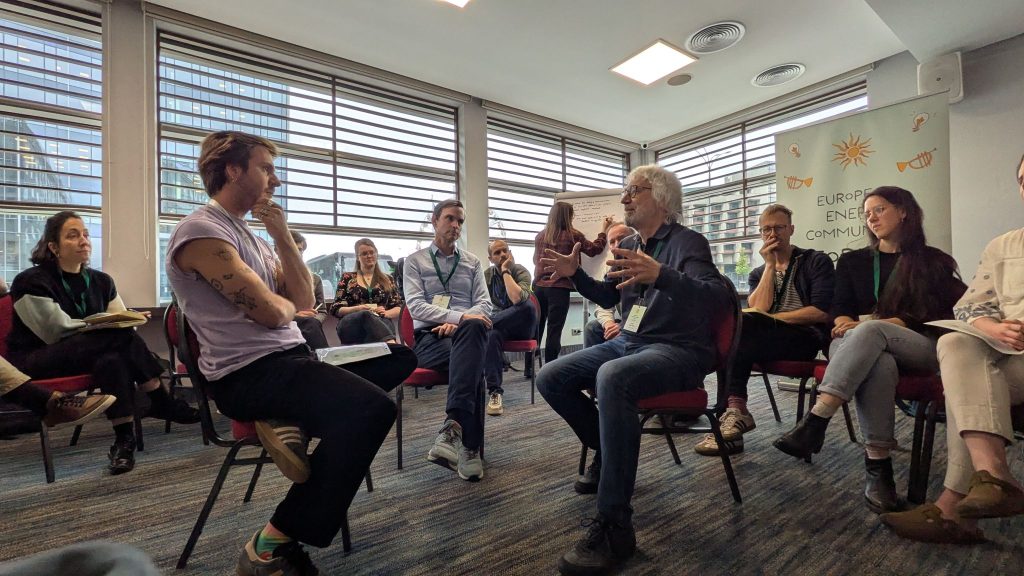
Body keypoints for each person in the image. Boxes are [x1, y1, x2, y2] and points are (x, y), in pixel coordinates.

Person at [166, 130, 416, 575]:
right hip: (249, 375)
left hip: (295, 360)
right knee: (371, 411)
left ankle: (292, 419)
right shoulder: (201, 230)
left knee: (400, 357)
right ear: (232, 170)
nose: (275, 181)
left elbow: (300, 299)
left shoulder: (256, 238)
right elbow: (269, 311)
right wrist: (281, 307)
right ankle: (270, 544)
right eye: (266, 168)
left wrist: (280, 233)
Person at [537, 165, 729, 575]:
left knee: (612, 377)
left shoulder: (689, 242)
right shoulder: (632, 243)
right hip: (632, 342)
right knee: (550, 376)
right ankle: (609, 451)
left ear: (660, 199)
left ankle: (615, 526)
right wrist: (576, 277)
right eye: (625, 191)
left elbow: (716, 298)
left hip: (677, 350)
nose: (624, 198)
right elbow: (609, 292)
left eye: (633, 191)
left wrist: (663, 276)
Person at [774, 186, 967, 514]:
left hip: (917, 344)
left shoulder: (933, 261)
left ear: (903, 211)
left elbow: (945, 313)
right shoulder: (852, 261)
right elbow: (838, 307)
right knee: (878, 363)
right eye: (867, 213)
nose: (871, 217)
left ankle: (817, 419)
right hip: (858, 345)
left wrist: (884, 322)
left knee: (872, 330)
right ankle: (879, 472)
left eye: (879, 209)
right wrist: (845, 319)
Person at [881, 155, 1024, 543]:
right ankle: (992, 476)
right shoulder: (1004, 246)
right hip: (1008, 359)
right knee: (957, 342)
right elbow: (970, 306)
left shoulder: (930, 261)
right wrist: (993, 326)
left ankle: (952, 509)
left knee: (967, 386)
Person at [7, 211, 198, 475]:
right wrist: (105, 325)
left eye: (85, 234)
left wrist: (125, 320)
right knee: (116, 337)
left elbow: (122, 323)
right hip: (38, 358)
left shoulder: (101, 280)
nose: (84, 240)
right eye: (73, 236)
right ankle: (159, 398)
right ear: (53, 246)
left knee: (113, 358)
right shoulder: (31, 281)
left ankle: (124, 441)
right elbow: (54, 331)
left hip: (89, 354)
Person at [694, 204, 835, 456]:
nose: (773, 234)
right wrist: (770, 266)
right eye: (766, 229)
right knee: (735, 330)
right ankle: (733, 416)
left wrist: (775, 319)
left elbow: (820, 312)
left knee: (742, 328)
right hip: (763, 339)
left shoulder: (815, 261)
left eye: (779, 227)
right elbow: (759, 307)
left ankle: (735, 409)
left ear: (791, 229)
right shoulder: (759, 272)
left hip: (805, 338)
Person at [403, 199, 492, 481]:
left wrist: (458, 324)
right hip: (429, 338)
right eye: (450, 219)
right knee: (473, 366)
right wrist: (459, 318)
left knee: (474, 336)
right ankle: (469, 448)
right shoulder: (413, 262)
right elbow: (415, 306)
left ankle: (452, 431)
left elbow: (485, 305)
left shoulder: (473, 262)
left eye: (460, 221)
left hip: (465, 334)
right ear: (435, 220)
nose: (456, 226)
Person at [533, 202, 612, 362]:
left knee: (536, 328)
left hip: (539, 288)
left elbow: (536, 260)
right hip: (559, 288)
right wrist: (604, 230)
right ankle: (550, 366)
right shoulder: (573, 235)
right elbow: (594, 250)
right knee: (554, 331)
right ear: (568, 216)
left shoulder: (540, 235)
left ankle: (529, 367)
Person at [482, 238, 537, 416]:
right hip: (500, 326)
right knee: (491, 336)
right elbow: (482, 303)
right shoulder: (487, 276)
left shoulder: (520, 271)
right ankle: (495, 393)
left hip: (522, 326)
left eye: (505, 250)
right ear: (490, 258)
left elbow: (516, 299)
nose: (503, 255)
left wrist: (505, 271)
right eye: (497, 253)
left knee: (527, 305)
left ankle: (484, 326)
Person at [0, 355, 114, 428]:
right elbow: (56, 328)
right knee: (119, 337)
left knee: (115, 353)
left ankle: (125, 439)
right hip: (31, 355)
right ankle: (49, 403)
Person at [329, 238, 402, 344]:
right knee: (365, 314)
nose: (369, 256)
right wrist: (358, 309)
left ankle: (389, 350)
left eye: (372, 252)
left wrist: (385, 313)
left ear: (377, 254)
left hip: (381, 321)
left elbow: (398, 307)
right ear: (358, 258)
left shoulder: (388, 279)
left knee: (383, 320)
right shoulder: (347, 278)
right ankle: (393, 346)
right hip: (351, 324)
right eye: (364, 254)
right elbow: (335, 309)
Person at [582, 223, 634, 348]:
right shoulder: (610, 268)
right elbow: (603, 304)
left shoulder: (645, 264)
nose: (617, 245)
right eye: (612, 242)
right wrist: (609, 324)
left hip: (644, 324)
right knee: (592, 328)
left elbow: (649, 307)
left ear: (635, 240)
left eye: (622, 239)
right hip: (625, 323)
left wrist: (624, 326)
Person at [288, 231, 329, 350]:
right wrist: (294, 316)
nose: (297, 253)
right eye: (291, 248)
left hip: (310, 324)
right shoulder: (270, 275)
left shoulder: (315, 279)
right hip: (284, 326)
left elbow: (322, 310)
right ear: (277, 250)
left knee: (310, 325)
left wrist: (314, 319)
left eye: (300, 250)